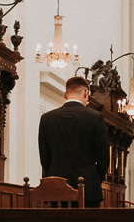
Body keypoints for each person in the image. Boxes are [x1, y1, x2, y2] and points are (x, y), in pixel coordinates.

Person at [37, 76, 109, 206]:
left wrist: (54, 179)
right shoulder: (96, 118)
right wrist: (93, 179)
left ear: (65, 94)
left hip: (56, 190)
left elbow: (44, 158)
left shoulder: (47, 118)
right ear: (86, 93)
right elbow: (103, 158)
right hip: (88, 190)